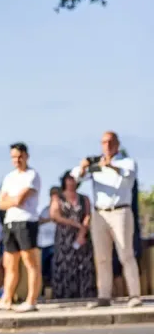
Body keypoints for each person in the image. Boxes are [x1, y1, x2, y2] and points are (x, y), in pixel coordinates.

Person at [71, 131, 143, 308]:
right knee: (102, 257)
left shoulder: (126, 162)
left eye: (110, 142)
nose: (107, 146)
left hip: (120, 211)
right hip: (100, 213)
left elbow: (127, 175)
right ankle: (104, 295)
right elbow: (77, 177)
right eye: (104, 142)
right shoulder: (97, 164)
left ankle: (134, 295)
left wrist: (109, 166)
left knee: (125, 253)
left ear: (117, 144)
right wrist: (83, 167)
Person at [0, 142, 43, 312]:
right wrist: (12, 200)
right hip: (10, 222)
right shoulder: (9, 177)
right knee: (10, 263)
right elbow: (1, 203)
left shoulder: (32, 175)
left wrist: (12, 200)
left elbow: (19, 200)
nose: (17, 160)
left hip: (26, 221)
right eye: (14, 157)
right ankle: (7, 299)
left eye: (19, 156)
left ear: (26, 156)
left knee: (29, 261)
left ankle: (31, 300)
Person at [51, 172, 95, 300]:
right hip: (64, 237)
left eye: (74, 179)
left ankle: (86, 294)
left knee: (84, 264)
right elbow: (54, 216)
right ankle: (64, 295)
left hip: (82, 235)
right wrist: (74, 223)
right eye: (69, 179)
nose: (71, 182)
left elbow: (87, 216)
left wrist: (82, 231)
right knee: (64, 265)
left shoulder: (84, 198)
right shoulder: (58, 198)